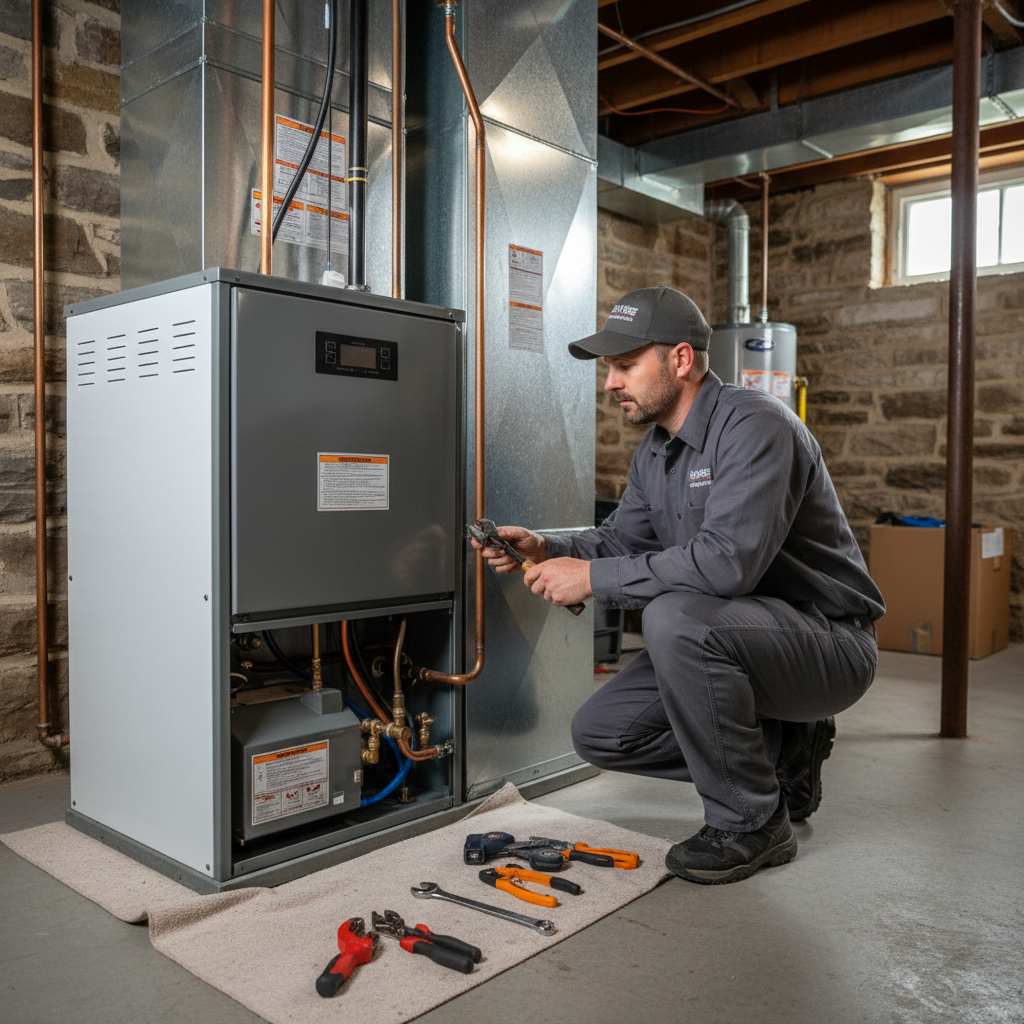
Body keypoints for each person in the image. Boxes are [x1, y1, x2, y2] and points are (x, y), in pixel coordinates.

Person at [476, 285, 884, 885]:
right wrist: (551, 549)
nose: (611, 383)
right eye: (609, 369)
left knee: (673, 618)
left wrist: (589, 578)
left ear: (681, 360)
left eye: (624, 366)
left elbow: (727, 566)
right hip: (741, 635)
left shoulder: (756, 426)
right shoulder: (657, 451)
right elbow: (621, 543)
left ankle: (751, 823)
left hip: (829, 645)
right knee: (602, 733)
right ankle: (779, 757)